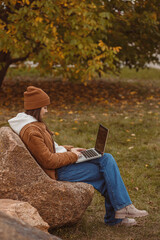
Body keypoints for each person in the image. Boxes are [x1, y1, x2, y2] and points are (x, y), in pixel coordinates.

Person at [8, 86, 148, 227]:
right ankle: (119, 214)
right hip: (58, 171)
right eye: (44, 108)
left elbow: (51, 148)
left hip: (61, 164)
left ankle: (121, 211)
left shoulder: (32, 124)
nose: (47, 111)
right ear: (36, 108)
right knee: (104, 172)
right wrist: (73, 156)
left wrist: (70, 149)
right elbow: (48, 161)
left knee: (106, 158)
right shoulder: (32, 131)